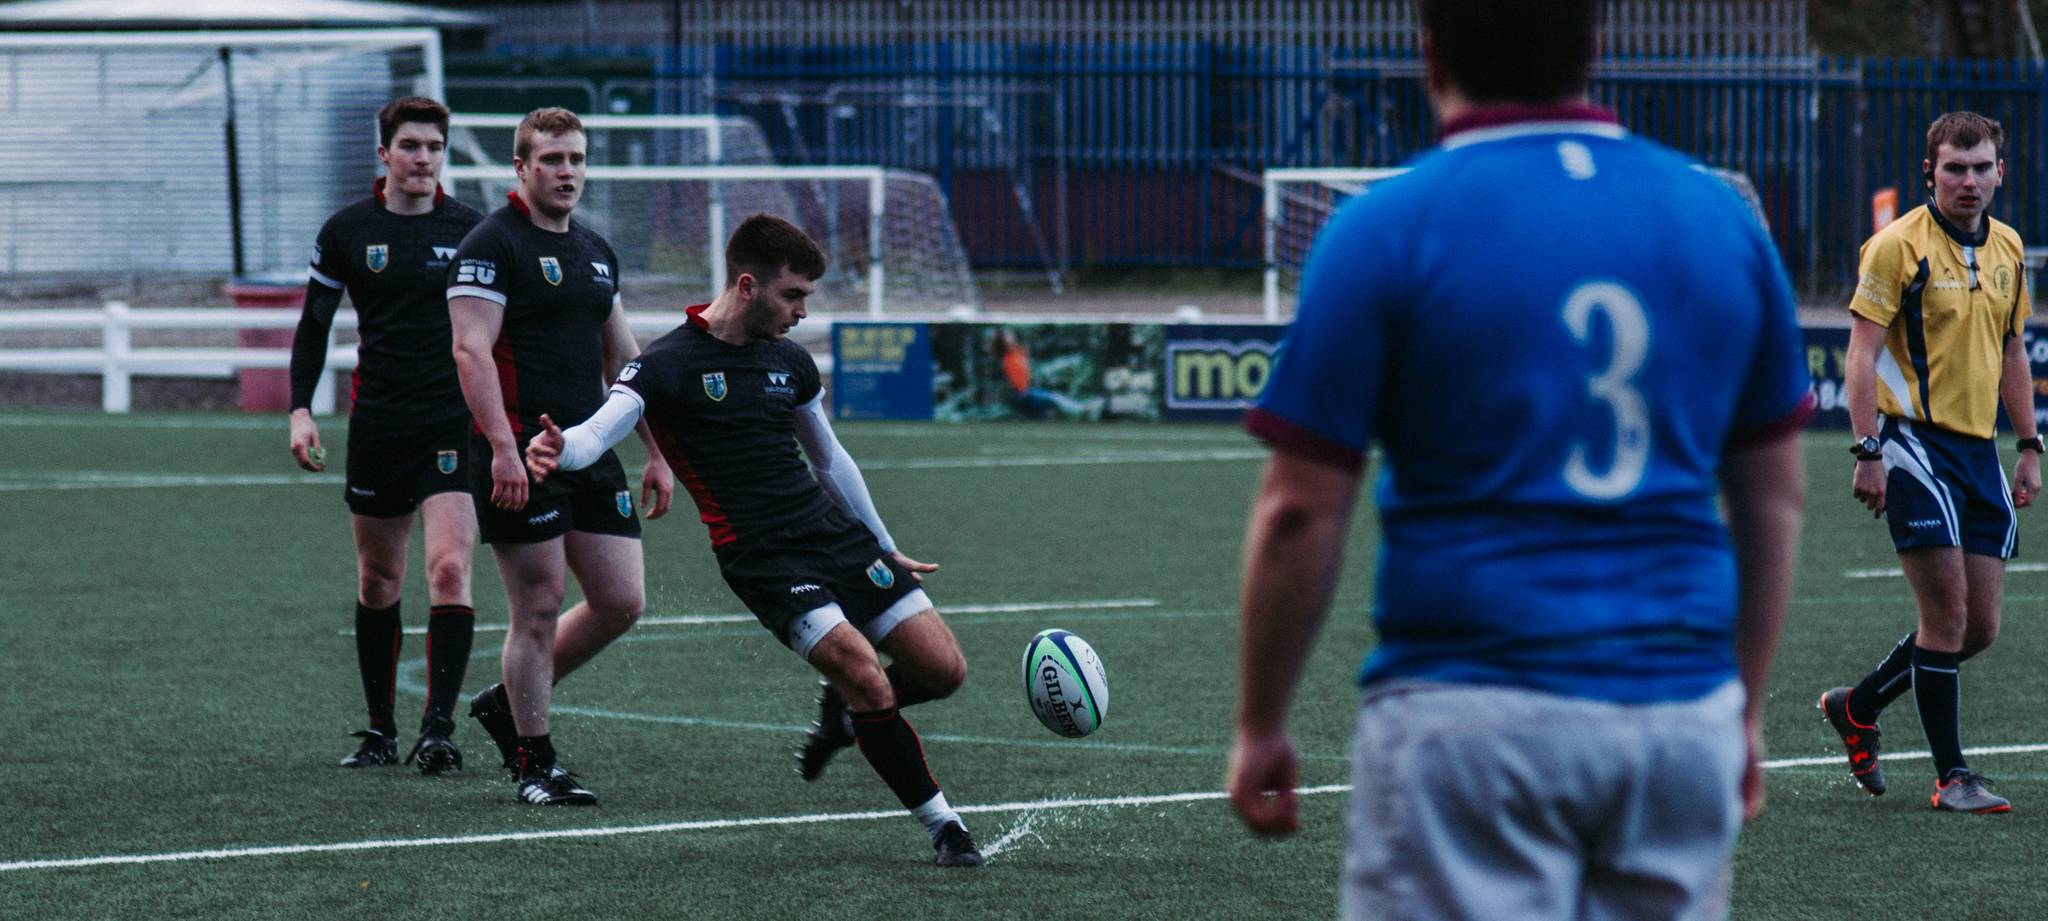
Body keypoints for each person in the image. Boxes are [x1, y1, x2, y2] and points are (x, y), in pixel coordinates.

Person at [1223, 2, 1812, 918]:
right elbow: (1773, 499)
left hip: (1470, 710)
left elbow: (1300, 509)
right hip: (1676, 714)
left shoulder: (1385, 226)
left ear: (1430, 54)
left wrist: (1261, 721)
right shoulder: (1720, 220)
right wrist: (1742, 706)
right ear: (1594, 46)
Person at [523, 214, 984, 867]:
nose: (802, 311)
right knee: (867, 676)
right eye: (793, 295)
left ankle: (845, 715)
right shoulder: (665, 364)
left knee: (943, 670)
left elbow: (830, 461)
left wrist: (882, 542)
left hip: (833, 535)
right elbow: (597, 434)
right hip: (762, 557)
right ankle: (947, 828)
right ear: (747, 285)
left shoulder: (789, 359)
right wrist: (559, 447)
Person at [446, 107, 674, 806]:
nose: (567, 171)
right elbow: (470, 350)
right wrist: (504, 449)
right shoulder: (492, 244)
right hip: (521, 454)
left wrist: (659, 452)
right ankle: (534, 762)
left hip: (588, 450)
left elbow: (624, 359)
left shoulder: (595, 250)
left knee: (621, 601)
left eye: (576, 158)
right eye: (551, 159)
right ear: (521, 167)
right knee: (539, 607)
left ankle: (504, 702)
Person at [1818, 110, 2038, 815]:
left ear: (2000, 172)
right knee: (1945, 616)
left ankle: (1858, 706)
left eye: (1981, 168)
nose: (1968, 181)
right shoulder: (1896, 246)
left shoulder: (2009, 248)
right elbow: (1860, 355)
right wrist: (1867, 450)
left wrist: (2029, 445)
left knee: (1979, 628)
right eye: (1954, 168)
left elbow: (2012, 351)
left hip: (1978, 451)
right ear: (1929, 173)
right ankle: (1953, 776)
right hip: (1910, 443)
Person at [289, 96, 485, 775]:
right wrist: (300, 410)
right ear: (385, 153)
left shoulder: (473, 231)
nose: (423, 158)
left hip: (452, 422)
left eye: (434, 147)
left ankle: (439, 729)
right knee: (378, 579)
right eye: (410, 146)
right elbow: (314, 325)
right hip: (377, 423)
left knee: (450, 567)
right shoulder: (348, 230)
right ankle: (380, 730)